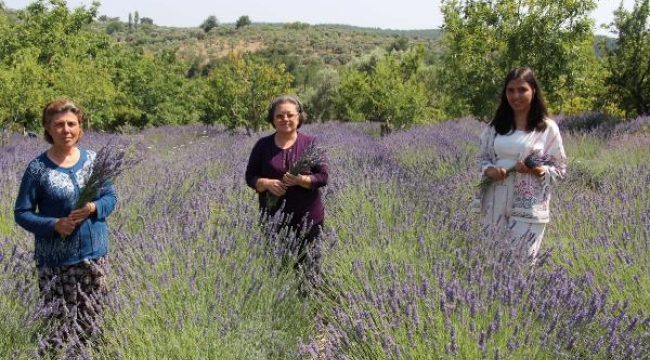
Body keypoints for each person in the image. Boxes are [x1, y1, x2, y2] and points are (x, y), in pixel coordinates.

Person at [14, 99, 117, 354]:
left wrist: (94, 207)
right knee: (59, 330)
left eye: (72, 124)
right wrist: (54, 225)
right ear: (48, 129)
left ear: (80, 127)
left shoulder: (94, 161)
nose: (66, 130)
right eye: (59, 125)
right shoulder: (37, 169)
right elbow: (22, 213)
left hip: (94, 259)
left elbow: (110, 197)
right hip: (55, 264)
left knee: (93, 324)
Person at [477, 67, 567, 262]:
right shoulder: (496, 126)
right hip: (494, 202)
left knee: (522, 265)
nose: (516, 95)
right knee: (491, 262)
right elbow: (482, 157)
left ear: (533, 91)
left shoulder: (546, 128)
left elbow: (560, 170)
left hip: (529, 206)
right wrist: (490, 170)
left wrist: (536, 170)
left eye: (522, 90)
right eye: (510, 90)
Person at [245, 95, 328, 274]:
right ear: (273, 119)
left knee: (309, 272)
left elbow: (323, 177)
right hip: (273, 220)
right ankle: (285, 303)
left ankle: (310, 300)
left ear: (299, 117)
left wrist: (300, 180)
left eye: (290, 115)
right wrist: (266, 183)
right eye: (279, 116)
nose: (285, 119)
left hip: (309, 220)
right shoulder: (262, 145)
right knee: (279, 271)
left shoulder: (310, 143)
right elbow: (250, 176)